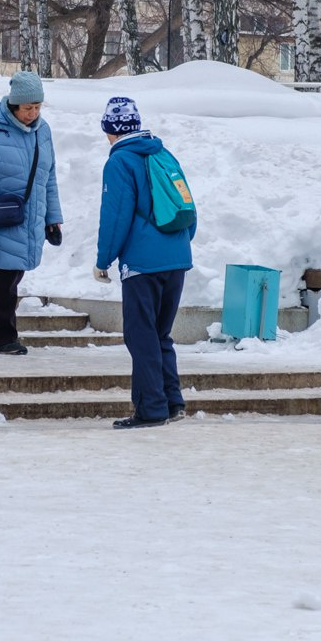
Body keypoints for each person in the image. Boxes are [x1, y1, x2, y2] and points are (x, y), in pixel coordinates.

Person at [93, 96, 195, 429]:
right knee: (160, 334)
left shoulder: (120, 162)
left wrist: (103, 259)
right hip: (177, 259)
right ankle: (172, 402)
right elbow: (187, 208)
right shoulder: (164, 154)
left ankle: (151, 408)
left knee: (141, 336)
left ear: (109, 130)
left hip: (142, 265)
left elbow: (115, 216)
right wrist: (176, 247)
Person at [0, 71, 63, 356]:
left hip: (30, 218)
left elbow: (48, 178)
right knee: (2, 282)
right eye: (27, 108)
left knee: (14, 273)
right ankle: (5, 338)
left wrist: (52, 218)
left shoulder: (43, 132)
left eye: (38, 107)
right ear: (13, 105)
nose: (33, 113)